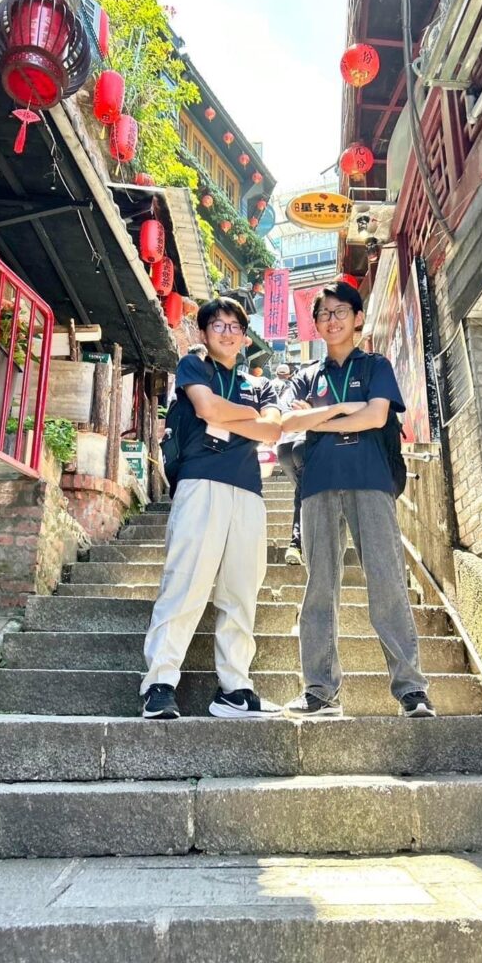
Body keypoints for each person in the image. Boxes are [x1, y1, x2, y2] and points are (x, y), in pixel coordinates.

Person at [280, 280, 435, 719]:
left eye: (340, 312)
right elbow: (287, 420)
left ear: (358, 318)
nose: (332, 320)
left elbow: (376, 415)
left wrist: (319, 417)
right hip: (318, 483)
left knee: (387, 581)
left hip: (370, 480)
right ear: (315, 324)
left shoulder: (376, 365)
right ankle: (319, 690)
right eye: (323, 314)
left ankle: (411, 689)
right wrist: (344, 409)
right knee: (318, 587)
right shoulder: (306, 376)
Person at [140, 296, 284, 720]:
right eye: (218, 325)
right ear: (203, 333)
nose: (227, 332)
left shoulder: (260, 384)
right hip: (200, 483)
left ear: (244, 336)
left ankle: (235, 689)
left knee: (241, 591)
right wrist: (248, 418)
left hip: (249, 492)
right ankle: (160, 683)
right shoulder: (194, 367)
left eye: (235, 326)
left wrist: (230, 416)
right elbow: (206, 407)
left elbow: (273, 430)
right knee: (185, 583)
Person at [270, 364, 306, 565]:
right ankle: (296, 544)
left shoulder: (287, 392)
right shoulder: (315, 386)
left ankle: (299, 543)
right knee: (304, 496)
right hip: (304, 443)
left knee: (302, 493)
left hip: (283, 449)